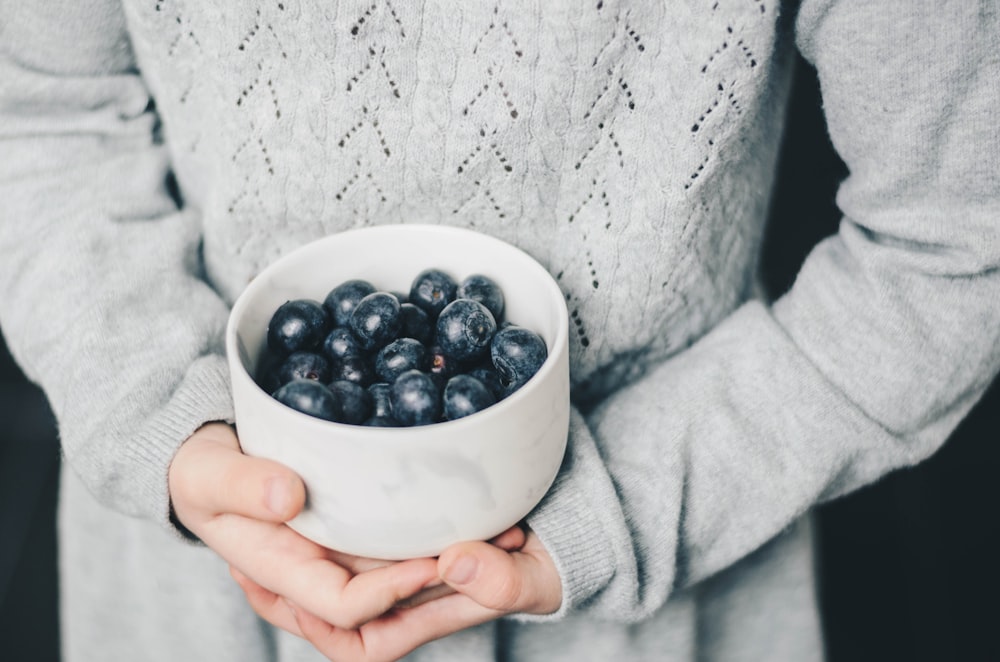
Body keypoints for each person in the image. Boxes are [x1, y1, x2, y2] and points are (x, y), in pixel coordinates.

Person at [1, 0, 997, 660]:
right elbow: (45, 115)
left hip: (656, 603)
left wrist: (623, 512)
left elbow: (955, 246)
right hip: (194, 605)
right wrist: (153, 411)